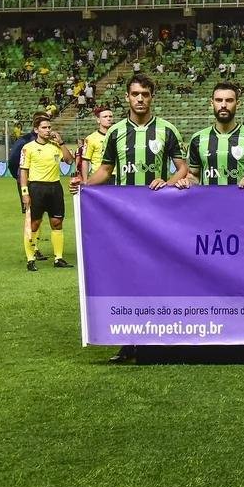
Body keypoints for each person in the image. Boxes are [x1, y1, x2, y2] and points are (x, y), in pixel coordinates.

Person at [71, 74, 190, 365]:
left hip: (159, 215)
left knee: (159, 273)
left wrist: (169, 181)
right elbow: (107, 170)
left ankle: (161, 335)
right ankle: (129, 340)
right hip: (125, 217)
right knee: (127, 275)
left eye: (145, 94)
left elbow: (184, 168)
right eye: (135, 93)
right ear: (127, 97)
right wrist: (85, 185)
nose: (140, 99)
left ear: (152, 97)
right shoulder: (116, 133)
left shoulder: (167, 130)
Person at [19, 114, 75, 271]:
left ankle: (58, 258)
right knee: (34, 223)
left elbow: (70, 161)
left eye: (49, 127)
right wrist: (25, 193)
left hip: (55, 188)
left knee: (57, 222)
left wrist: (62, 143)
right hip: (36, 188)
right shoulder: (28, 148)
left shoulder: (56, 146)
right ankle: (30, 259)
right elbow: (23, 172)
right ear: (36, 130)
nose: (48, 130)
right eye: (44, 127)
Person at [187, 83, 244, 187]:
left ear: (237, 103)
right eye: (219, 100)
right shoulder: (197, 139)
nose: (223, 105)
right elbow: (193, 176)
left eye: (229, 100)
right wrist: (186, 181)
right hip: (209, 201)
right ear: (212, 103)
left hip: (242, 201)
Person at [8, 114, 44, 225]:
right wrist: (19, 176)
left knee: (41, 213)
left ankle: (36, 238)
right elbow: (13, 160)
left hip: (45, 182)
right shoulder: (24, 140)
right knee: (30, 213)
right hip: (27, 182)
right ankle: (31, 240)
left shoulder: (49, 141)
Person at [78, 105, 114, 184]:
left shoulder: (118, 136)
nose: (109, 119)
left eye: (110, 116)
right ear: (98, 120)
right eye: (105, 117)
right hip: (99, 176)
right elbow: (85, 160)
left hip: (116, 176)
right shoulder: (90, 138)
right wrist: (85, 180)